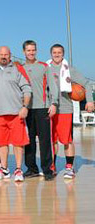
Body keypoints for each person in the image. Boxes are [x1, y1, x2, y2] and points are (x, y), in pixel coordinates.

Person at [0, 46, 32, 182]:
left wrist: (25, 107)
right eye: (1, 54)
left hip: (16, 114)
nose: (4, 56)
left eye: (6, 54)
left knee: (18, 143)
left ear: (10, 56)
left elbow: (27, 88)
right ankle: (4, 169)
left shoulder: (16, 70)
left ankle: (18, 170)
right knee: (1, 143)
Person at [47, 44, 94, 179]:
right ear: (51, 54)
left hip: (65, 109)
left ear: (63, 54)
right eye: (54, 52)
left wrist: (89, 101)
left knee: (67, 140)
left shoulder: (70, 70)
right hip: (49, 109)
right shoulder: (47, 69)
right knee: (52, 140)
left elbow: (86, 84)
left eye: (59, 52)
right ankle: (52, 166)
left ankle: (69, 167)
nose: (57, 55)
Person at [21, 40, 57, 181]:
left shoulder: (44, 66)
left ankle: (47, 170)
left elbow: (52, 86)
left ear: (36, 51)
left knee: (44, 141)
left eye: (33, 50)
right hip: (27, 109)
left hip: (42, 108)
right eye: (28, 50)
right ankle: (31, 169)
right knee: (28, 141)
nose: (31, 52)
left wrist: (53, 103)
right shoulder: (20, 68)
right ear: (24, 51)